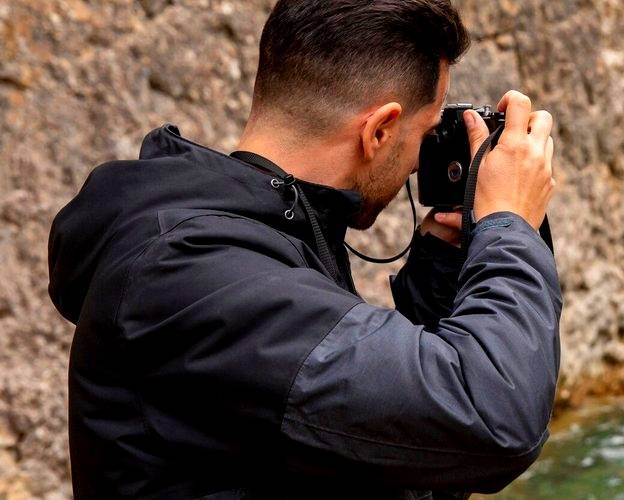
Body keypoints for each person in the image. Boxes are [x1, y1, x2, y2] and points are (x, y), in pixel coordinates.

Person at [46, 0, 561, 498]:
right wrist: (508, 224)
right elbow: (494, 418)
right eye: (424, 135)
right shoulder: (190, 273)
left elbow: (412, 457)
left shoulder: (266, 243)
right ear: (379, 129)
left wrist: (447, 262)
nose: (414, 166)